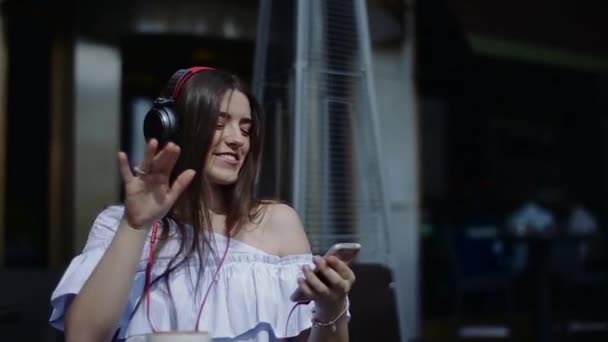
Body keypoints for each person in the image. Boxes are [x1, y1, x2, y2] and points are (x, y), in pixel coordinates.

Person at [48, 67, 356, 342]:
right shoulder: (119, 224)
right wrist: (135, 225)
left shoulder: (277, 222)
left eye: (246, 129)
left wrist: (332, 305)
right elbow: (83, 336)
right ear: (173, 129)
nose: (238, 140)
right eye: (220, 124)